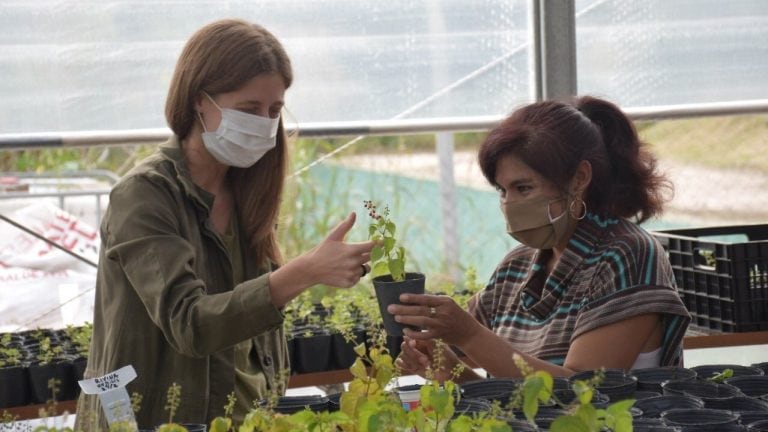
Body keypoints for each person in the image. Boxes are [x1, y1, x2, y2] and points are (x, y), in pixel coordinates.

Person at [74, 19, 375, 430]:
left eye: (274, 110)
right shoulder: (145, 195)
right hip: (160, 420)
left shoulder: (246, 191)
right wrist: (303, 272)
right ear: (201, 101)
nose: (265, 123)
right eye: (248, 109)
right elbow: (189, 325)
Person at [390, 96, 691, 382]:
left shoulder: (626, 255)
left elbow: (583, 394)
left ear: (579, 178)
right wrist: (449, 370)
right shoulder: (518, 266)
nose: (509, 203)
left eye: (523, 188)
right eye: (502, 190)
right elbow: (519, 399)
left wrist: (470, 335)